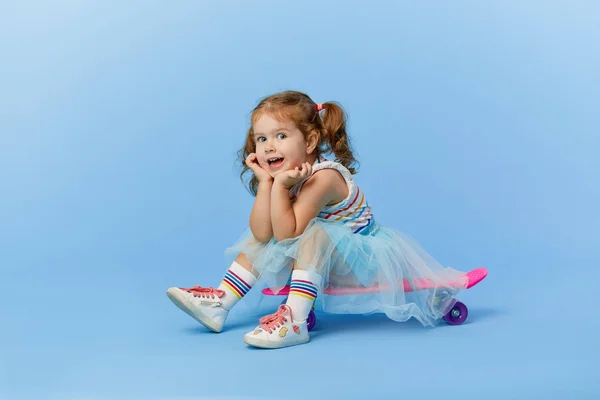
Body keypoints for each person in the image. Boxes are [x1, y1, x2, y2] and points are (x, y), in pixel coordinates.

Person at [166, 90, 469, 349]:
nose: (269, 146)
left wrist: (280, 186)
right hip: (321, 261)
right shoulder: (285, 176)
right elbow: (261, 234)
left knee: (315, 233)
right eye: (261, 139)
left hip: (363, 263)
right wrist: (267, 183)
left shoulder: (323, 178)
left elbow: (288, 236)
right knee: (267, 234)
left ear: (310, 142)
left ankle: (295, 321)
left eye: (281, 136)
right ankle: (220, 304)